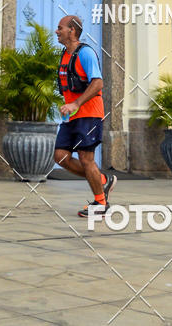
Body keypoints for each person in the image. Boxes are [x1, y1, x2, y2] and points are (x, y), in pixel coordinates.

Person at [53, 14, 116, 218]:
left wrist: (75, 104)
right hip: (71, 117)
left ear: (72, 30)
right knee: (60, 157)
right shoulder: (64, 54)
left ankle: (100, 202)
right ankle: (103, 180)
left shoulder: (86, 53)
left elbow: (98, 83)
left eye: (60, 27)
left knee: (86, 158)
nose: (57, 31)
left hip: (89, 114)